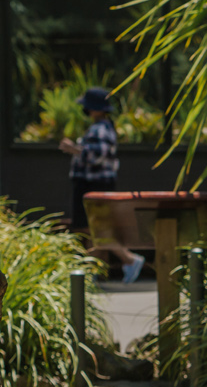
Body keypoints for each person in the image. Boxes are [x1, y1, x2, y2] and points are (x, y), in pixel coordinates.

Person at [60, 87, 145, 284]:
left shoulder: (102, 128)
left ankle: (128, 259)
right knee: (91, 229)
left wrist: (74, 149)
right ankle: (96, 272)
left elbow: (98, 155)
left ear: (96, 108)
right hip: (92, 184)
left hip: (93, 185)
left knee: (94, 229)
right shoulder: (101, 127)